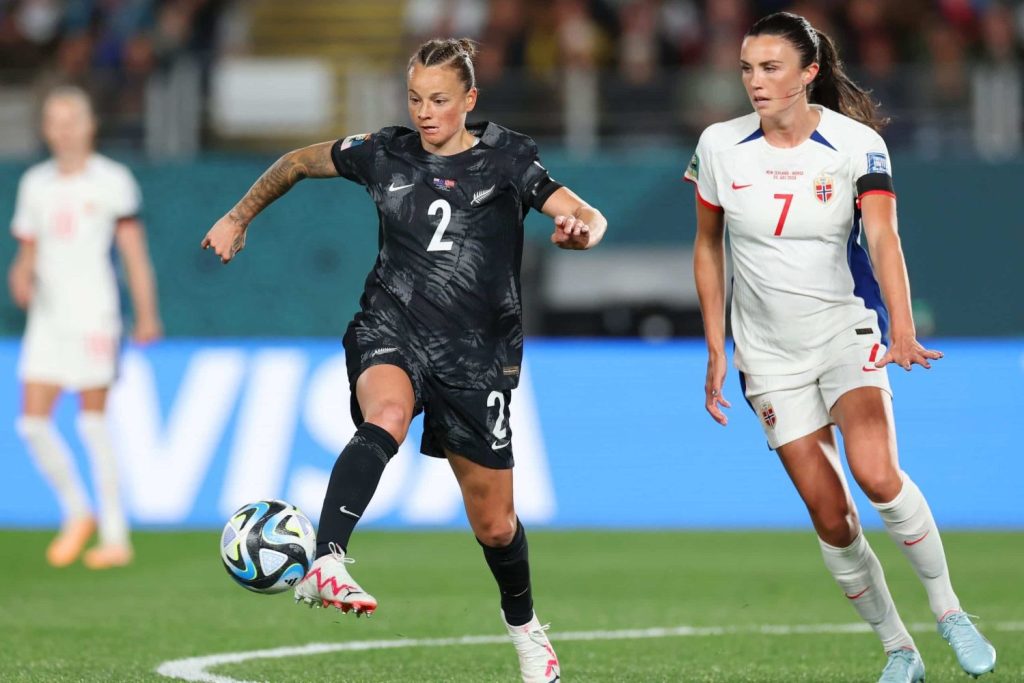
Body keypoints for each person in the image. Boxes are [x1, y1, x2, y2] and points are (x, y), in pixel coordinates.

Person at [202, 37, 606, 683]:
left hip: (478, 356)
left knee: (496, 524)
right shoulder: (382, 152)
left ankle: (528, 632)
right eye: (416, 98)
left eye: (440, 99)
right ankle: (328, 557)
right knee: (386, 411)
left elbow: (580, 211)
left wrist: (581, 229)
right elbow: (300, 161)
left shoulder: (508, 161)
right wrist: (238, 214)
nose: (425, 111)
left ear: (469, 100)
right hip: (392, 323)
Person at [687, 12, 996, 683]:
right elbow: (708, 247)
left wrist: (904, 326)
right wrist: (717, 346)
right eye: (747, 68)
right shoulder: (718, 146)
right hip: (766, 354)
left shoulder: (855, 144)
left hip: (844, 328)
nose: (756, 82)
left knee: (877, 473)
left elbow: (883, 236)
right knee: (831, 515)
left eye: (771, 68)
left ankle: (948, 611)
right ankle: (899, 649)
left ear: (809, 72)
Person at [8, 85, 162, 569]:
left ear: (90, 125)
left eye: (72, 118)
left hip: (94, 314)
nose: (64, 129)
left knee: (92, 423)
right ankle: (77, 511)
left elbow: (133, 254)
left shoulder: (112, 180)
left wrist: (146, 312)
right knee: (31, 424)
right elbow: (28, 250)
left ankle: (115, 535)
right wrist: (20, 274)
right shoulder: (35, 184)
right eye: (55, 120)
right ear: (45, 128)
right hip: (48, 318)